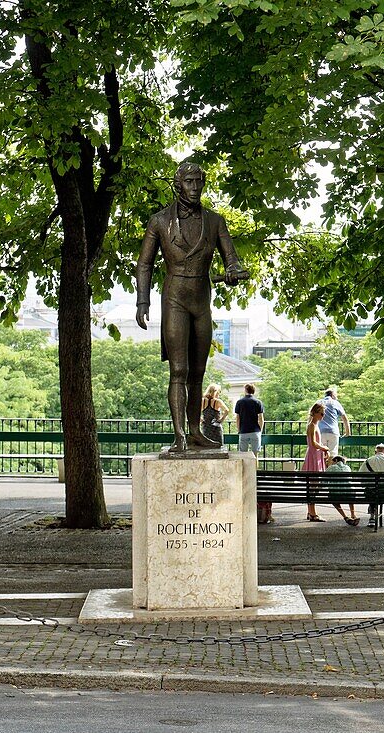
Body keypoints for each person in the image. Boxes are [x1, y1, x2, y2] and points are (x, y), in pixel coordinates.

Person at [135, 161, 249, 452]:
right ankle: (179, 435)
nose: (195, 188)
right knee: (179, 370)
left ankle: (195, 430)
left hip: (201, 301)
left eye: (199, 182)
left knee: (198, 372)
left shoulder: (215, 221)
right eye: (189, 182)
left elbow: (231, 258)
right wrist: (142, 300)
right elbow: (145, 263)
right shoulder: (159, 221)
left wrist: (234, 270)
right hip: (174, 299)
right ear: (178, 185)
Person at [235, 384, 270, 523]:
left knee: (242, 455)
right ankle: (254, 474)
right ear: (254, 391)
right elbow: (261, 418)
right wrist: (260, 429)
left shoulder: (239, 402)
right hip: (255, 431)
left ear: (245, 391)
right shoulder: (258, 402)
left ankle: (243, 474)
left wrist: (239, 429)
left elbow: (237, 418)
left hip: (243, 431)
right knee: (255, 455)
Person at [302, 402, 331, 522]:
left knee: (314, 485)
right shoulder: (312, 425)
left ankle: (311, 512)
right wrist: (325, 448)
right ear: (315, 413)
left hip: (316, 456)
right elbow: (313, 443)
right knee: (314, 485)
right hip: (314, 456)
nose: (323, 416)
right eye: (321, 413)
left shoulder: (314, 425)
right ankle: (312, 513)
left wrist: (324, 449)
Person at [318, 385, 351, 456]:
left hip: (320, 432)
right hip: (333, 432)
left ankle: (323, 467)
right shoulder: (335, 403)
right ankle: (331, 467)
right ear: (332, 395)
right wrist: (347, 432)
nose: (337, 397)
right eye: (336, 395)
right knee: (332, 454)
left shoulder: (319, 402)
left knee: (321, 454)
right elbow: (345, 418)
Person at [326, 454, 359, 526]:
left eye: (332, 461)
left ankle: (345, 517)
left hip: (336, 495)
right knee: (350, 491)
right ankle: (353, 515)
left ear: (336, 460)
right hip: (349, 495)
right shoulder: (348, 468)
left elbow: (324, 483)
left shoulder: (330, 468)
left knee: (333, 499)